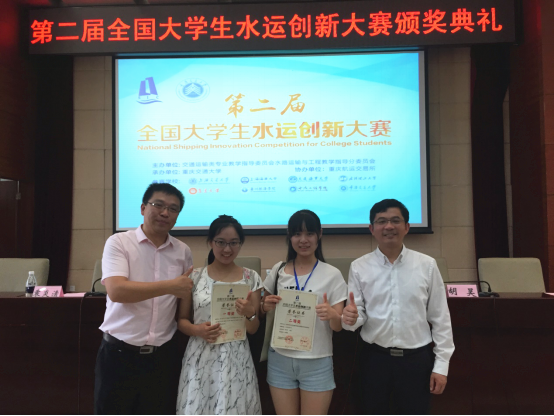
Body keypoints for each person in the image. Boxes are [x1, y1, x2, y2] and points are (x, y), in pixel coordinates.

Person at [342, 199, 455, 415]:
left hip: (416, 361)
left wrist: (441, 366)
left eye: (395, 220)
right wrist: (350, 319)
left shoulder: (427, 265)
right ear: (371, 228)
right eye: (381, 221)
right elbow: (357, 316)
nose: (389, 226)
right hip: (374, 359)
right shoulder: (359, 267)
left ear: (407, 227)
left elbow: (441, 318)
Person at [95, 183, 194, 415]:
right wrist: (170, 286)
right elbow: (117, 291)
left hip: (162, 359)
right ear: (142, 208)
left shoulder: (183, 251)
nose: (165, 213)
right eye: (158, 205)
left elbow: (184, 300)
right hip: (118, 356)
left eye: (173, 209)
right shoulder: (119, 242)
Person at [261, 210, 348, 416]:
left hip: (316, 360)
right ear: (289, 236)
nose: (303, 240)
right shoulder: (278, 270)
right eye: (297, 234)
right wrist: (265, 306)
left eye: (309, 233)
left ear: (320, 234)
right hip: (280, 359)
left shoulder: (332, 274)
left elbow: (338, 326)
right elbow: (262, 309)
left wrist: (332, 315)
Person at [176, 215, 263, 415]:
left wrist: (250, 313)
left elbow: (253, 328)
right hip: (201, 354)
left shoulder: (251, 277)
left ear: (240, 244)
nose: (227, 249)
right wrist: (197, 330)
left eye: (234, 243)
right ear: (210, 242)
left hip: (237, 355)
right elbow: (181, 320)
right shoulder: (194, 277)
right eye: (221, 242)